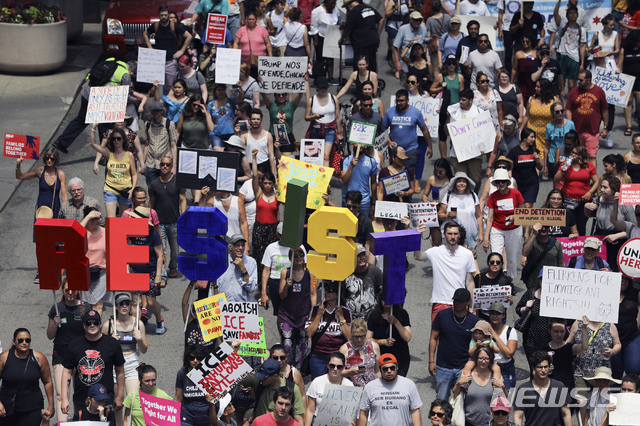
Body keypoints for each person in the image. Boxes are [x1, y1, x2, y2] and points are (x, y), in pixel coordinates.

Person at [53, 59, 131, 154]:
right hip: (102, 98)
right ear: (131, 71)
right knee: (105, 125)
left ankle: (61, 142)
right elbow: (124, 95)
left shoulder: (110, 60)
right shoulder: (125, 74)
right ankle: (105, 153)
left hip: (88, 92)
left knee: (81, 120)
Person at [61, 310, 125, 420]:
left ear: (100, 324)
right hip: (81, 398)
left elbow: (120, 371)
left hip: (104, 398)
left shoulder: (112, 344)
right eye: (88, 323)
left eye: (95, 322)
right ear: (83, 326)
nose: (92, 325)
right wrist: (64, 399)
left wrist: (120, 395)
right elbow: (67, 372)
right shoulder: (74, 345)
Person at [415, 221, 476, 323]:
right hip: (440, 302)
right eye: (449, 234)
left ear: (459, 235)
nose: (452, 237)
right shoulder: (435, 251)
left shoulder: (467, 254)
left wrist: (472, 306)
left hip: (461, 302)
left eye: (455, 234)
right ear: (444, 235)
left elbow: (469, 282)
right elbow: (417, 256)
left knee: (459, 337)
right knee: (437, 336)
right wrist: (417, 237)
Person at [46, 279, 90, 422]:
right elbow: (50, 335)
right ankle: (62, 423)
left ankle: (80, 422)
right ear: (62, 291)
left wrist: (85, 316)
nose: (70, 293)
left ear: (78, 292)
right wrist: (55, 324)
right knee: (61, 394)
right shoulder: (57, 308)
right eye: (66, 290)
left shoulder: (85, 307)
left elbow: (94, 333)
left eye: (73, 290)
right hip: (61, 353)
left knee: (81, 392)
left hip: (81, 353)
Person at [102, 292, 148, 416]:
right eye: (121, 304)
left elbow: (144, 349)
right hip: (114, 365)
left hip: (132, 361)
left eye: (127, 303)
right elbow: (101, 351)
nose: (124, 306)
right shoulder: (108, 325)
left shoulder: (138, 324)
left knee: (134, 401)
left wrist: (139, 339)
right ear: (115, 306)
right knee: (118, 403)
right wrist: (110, 343)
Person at [428, 288, 479, 400]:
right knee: (441, 400)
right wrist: (431, 361)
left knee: (460, 400)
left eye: (460, 301)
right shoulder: (442, 315)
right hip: (443, 366)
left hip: (463, 367)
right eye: (455, 300)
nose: (457, 303)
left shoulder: (474, 321)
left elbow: (477, 344)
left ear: (467, 303)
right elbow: (433, 338)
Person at [0, 328, 54, 426]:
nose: (24, 343)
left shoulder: (39, 358)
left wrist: (51, 404)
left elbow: (48, 382)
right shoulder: (4, 358)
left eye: (27, 340)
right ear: (14, 342)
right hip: (7, 408)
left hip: (32, 407)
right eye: (20, 340)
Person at [585, 176, 635, 271]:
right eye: (601, 187)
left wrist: (616, 236)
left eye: (605, 187)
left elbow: (633, 228)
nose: (602, 190)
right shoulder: (598, 200)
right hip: (600, 238)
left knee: (614, 267)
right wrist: (586, 206)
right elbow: (589, 215)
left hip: (617, 239)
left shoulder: (624, 204)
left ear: (613, 189)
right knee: (599, 267)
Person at [357, 354, 422, 426]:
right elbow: (363, 413)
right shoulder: (370, 387)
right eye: (385, 369)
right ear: (380, 369)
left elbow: (415, 411)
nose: (389, 371)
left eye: (392, 368)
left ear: (397, 367)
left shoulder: (409, 384)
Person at [483, 168, 525, 280]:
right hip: (497, 229)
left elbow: (524, 213)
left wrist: (514, 217)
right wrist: (486, 238)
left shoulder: (516, 193)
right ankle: (497, 281)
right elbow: (490, 218)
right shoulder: (493, 196)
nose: (500, 184)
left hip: (514, 229)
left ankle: (510, 282)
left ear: (507, 182)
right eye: (498, 182)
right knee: (496, 257)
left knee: (511, 257)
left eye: (503, 181)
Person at [278, 246, 317, 368]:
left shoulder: (311, 273)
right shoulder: (285, 272)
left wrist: (313, 314)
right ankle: (286, 371)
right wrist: (286, 287)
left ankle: (297, 373)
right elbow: (282, 296)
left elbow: (313, 294)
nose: (299, 258)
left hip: (303, 316)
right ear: (291, 258)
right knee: (287, 345)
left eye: (301, 255)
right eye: (296, 255)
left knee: (302, 348)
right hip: (286, 316)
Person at [305, 281, 352, 379]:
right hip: (318, 356)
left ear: (338, 294)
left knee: (336, 385)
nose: (326, 293)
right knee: (318, 386)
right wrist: (319, 315)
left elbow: (349, 337)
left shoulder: (345, 311)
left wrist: (341, 317)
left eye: (330, 290)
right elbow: (309, 333)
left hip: (337, 355)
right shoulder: (316, 309)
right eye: (326, 290)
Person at [149, 156, 186, 280]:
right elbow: (151, 202)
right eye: (163, 164)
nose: (165, 166)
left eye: (167, 164)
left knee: (175, 249)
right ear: (160, 166)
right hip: (159, 223)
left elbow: (183, 200)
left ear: (171, 166)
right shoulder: (154, 184)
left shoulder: (178, 181)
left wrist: (183, 217)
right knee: (161, 249)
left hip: (174, 222)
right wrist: (149, 218)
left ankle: (173, 267)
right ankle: (163, 275)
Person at [512, 351, 572, 426]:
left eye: (546, 367)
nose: (543, 370)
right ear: (533, 367)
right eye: (540, 367)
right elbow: (518, 416)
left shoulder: (559, 386)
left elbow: (566, 414)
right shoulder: (523, 389)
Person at [90, 126, 137, 218]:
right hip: (110, 189)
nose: (116, 141)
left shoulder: (129, 155)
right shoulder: (108, 153)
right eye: (114, 138)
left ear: (123, 140)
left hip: (125, 189)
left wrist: (133, 189)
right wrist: (93, 128)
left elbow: (134, 174)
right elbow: (93, 144)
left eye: (119, 138)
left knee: (124, 220)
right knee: (111, 220)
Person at [384, 89, 432, 178]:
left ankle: (406, 192)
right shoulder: (389, 112)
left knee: (408, 176)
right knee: (394, 175)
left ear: (407, 100)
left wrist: (430, 146)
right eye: (397, 101)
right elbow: (383, 130)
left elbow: (425, 130)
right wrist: (389, 141)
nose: (399, 103)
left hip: (411, 149)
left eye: (401, 101)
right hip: (395, 150)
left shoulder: (416, 112)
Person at [452, 347, 506, 426]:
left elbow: (505, 399)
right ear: (476, 359)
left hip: (489, 422)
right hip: (468, 421)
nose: (483, 361)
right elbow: (455, 394)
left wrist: (503, 387)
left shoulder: (495, 376)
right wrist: (460, 383)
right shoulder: (467, 374)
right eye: (481, 358)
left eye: (486, 359)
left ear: (491, 360)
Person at [566, 70, 609, 167]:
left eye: (581, 80)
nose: (578, 82)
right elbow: (568, 109)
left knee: (591, 156)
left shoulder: (599, 91)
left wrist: (605, 127)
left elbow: (605, 110)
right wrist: (570, 124)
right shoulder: (574, 92)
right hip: (576, 131)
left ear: (588, 80)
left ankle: (592, 179)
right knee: (576, 155)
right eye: (578, 79)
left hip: (592, 131)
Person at [143, 5, 191, 91]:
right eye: (161, 15)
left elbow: (189, 36)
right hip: (158, 61)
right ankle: (159, 103)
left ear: (168, 14)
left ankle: (168, 103)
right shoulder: (155, 25)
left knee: (171, 86)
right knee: (157, 86)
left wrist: (181, 51)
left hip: (170, 61)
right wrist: (150, 47)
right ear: (158, 15)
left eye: (165, 15)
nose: (163, 17)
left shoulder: (174, 26)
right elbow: (145, 34)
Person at [554, 144, 599, 236]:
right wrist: (563, 169)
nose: (573, 155)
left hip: (584, 201)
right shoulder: (566, 164)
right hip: (568, 199)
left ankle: (580, 245)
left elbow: (596, 181)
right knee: (569, 223)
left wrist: (590, 192)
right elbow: (556, 179)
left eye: (576, 153)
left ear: (581, 156)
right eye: (572, 152)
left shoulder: (588, 165)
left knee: (581, 225)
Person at [243, 359, 305, 425]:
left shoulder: (293, 389)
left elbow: (299, 419)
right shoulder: (258, 382)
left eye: (264, 377)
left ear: (275, 376)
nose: (261, 379)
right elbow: (238, 377)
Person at [445, 89, 482, 190]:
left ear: (471, 100)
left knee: (476, 179)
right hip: (457, 154)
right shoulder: (453, 112)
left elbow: (484, 133)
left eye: (464, 100)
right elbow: (447, 132)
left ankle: (474, 198)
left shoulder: (479, 113)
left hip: (474, 154)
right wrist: (447, 119)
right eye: (460, 99)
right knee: (460, 180)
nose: (461, 102)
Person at [304, 352, 353, 426]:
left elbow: (352, 411)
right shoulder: (317, 382)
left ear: (343, 367)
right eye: (332, 366)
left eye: (339, 367)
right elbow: (310, 410)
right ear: (327, 365)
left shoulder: (349, 385)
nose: (335, 369)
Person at [366, 297, 412, 376]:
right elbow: (368, 339)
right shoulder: (374, 315)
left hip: (400, 357)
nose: (386, 301)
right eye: (383, 298)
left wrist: (396, 322)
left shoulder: (402, 313)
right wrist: (383, 341)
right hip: (381, 357)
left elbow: (407, 337)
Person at [175, 344, 218, 425]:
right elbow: (178, 398)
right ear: (187, 359)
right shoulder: (182, 373)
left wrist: (212, 399)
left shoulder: (211, 374)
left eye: (199, 358)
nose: (195, 361)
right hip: (187, 419)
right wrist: (169, 416)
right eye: (192, 358)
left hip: (206, 419)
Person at [305, 77, 342, 168]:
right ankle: (315, 177)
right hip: (315, 130)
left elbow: (337, 117)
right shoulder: (311, 100)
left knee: (326, 156)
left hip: (330, 130)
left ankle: (325, 181)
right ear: (317, 88)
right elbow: (306, 117)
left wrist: (339, 133)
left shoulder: (334, 99)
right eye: (321, 88)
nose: (323, 90)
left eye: (325, 88)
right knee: (315, 156)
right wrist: (314, 117)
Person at [438, 172, 482, 247]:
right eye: (459, 181)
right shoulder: (448, 196)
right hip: (452, 236)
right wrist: (447, 215)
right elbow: (439, 215)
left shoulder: (473, 195)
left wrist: (481, 233)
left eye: (464, 181)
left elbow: (479, 216)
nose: (461, 183)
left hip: (470, 235)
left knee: (469, 256)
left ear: (467, 183)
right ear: (455, 183)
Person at [79, 208, 109, 316]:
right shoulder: (82, 232)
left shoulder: (106, 232)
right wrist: (88, 217)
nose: (97, 221)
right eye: (93, 219)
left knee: (97, 304)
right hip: (85, 272)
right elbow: (74, 233)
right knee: (85, 305)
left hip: (102, 272)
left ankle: (97, 328)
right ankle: (87, 327)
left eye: (99, 218)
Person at [552, 4, 588, 94]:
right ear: (567, 16)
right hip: (562, 55)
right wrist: (559, 1)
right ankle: (561, 104)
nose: (573, 15)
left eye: (574, 13)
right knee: (561, 83)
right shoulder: (563, 25)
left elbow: (582, 46)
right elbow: (555, 14)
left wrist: (582, 63)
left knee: (572, 85)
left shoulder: (582, 30)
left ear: (577, 15)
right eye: (570, 13)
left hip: (574, 58)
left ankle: (570, 104)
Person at [340, 0, 384, 73]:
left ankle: (361, 81)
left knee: (361, 64)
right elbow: (381, 20)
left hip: (361, 42)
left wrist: (341, 39)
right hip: (373, 40)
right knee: (371, 63)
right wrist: (377, 35)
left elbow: (347, 30)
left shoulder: (353, 12)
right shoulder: (369, 8)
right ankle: (372, 81)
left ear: (349, 6)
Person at [141, 101, 178, 187]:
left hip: (165, 163)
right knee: (151, 190)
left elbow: (173, 146)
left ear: (162, 111)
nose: (156, 113)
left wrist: (174, 165)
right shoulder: (148, 124)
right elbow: (146, 145)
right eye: (154, 110)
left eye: (158, 110)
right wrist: (142, 164)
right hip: (151, 163)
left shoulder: (169, 124)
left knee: (166, 189)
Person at [611, 275, 640, 378]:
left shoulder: (635, 295)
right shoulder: (607, 295)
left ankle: (633, 392)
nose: (623, 281)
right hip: (612, 340)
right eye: (620, 278)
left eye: (626, 279)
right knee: (615, 372)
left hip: (632, 338)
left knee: (634, 370)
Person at [507, 128, 542, 211]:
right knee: (518, 206)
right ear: (524, 138)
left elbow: (540, 168)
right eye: (532, 137)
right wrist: (509, 180)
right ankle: (520, 224)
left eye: (534, 137)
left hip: (531, 184)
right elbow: (509, 167)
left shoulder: (535, 151)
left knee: (528, 207)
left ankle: (528, 224)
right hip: (518, 183)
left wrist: (537, 161)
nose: (534, 139)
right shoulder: (514, 152)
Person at [522, 223, 564, 289]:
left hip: (551, 284)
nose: (543, 229)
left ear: (549, 227)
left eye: (546, 226)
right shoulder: (531, 242)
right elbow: (525, 253)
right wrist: (533, 234)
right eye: (541, 227)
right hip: (533, 285)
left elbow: (561, 263)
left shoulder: (557, 243)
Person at [521, 79, 558, 155]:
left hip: (548, 136)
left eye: (538, 87)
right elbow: (527, 115)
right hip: (533, 135)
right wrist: (521, 129)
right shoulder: (531, 99)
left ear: (544, 88)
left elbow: (559, 116)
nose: (535, 88)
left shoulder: (554, 100)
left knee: (548, 156)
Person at [218, 234, 259, 303]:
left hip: (242, 306)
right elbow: (215, 285)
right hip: (223, 305)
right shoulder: (221, 261)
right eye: (237, 245)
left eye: (242, 245)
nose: (240, 248)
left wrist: (243, 269)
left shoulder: (251, 262)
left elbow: (252, 288)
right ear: (230, 247)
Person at [263, 91, 304, 157]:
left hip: (287, 136)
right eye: (278, 95)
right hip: (273, 137)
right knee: (274, 160)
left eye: (283, 94)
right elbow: (263, 94)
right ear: (275, 96)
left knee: (286, 161)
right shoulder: (271, 105)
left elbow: (300, 95)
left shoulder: (291, 106)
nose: (281, 96)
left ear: (286, 95)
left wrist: (304, 82)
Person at [340, 318, 380, 387]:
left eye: (362, 336)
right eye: (356, 337)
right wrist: (351, 371)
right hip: (352, 388)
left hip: (371, 387)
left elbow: (377, 371)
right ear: (352, 334)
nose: (359, 340)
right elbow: (339, 372)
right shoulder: (345, 349)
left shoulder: (374, 346)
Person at [342, 146, 378, 219]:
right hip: (348, 202)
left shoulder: (372, 161)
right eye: (357, 143)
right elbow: (345, 181)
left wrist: (374, 203)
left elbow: (374, 183)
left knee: (363, 227)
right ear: (352, 144)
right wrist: (351, 166)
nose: (360, 145)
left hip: (364, 202)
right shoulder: (346, 160)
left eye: (362, 144)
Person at [233, 11, 273, 79]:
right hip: (245, 62)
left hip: (259, 62)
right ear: (246, 20)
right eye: (249, 19)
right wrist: (235, 55)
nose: (251, 21)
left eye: (252, 19)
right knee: (245, 81)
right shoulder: (241, 30)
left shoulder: (262, 29)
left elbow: (268, 43)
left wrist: (270, 56)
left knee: (260, 81)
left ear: (256, 20)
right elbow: (236, 43)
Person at [473, 255, 514, 321]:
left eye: (498, 262)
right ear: (488, 263)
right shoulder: (479, 278)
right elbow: (473, 296)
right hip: (482, 318)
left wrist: (511, 300)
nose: (495, 264)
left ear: (501, 264)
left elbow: (508, 302)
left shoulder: (506, 280)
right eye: (492, 262)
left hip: (499, 320)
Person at [310, 0, 340, 84]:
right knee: (320, 59)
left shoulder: (335, 10)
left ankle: (330, 78)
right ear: (326, 2)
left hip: (332, 37)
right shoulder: (317, 11)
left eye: (335, 3)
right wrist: (315, 40)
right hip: (320, 38)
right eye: (332, 3)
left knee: (330, 59)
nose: (333, 5)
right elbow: (313, 27)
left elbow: (337, 21)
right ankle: (319, 78)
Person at [392, 11, 428, 79]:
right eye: (416, 20)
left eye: (420, 20)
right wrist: (397, 62)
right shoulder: (403, 29)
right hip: (406, 65)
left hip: (419, 65)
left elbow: (426, 42)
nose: (418, 22)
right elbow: (395, 46)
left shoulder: (423, 29)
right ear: (410, 20)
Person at [544, 102, 575, 180]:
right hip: (553, 159)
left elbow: (575, 142)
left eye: (562, 111)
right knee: (556, 181)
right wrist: (545, 166)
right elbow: (546, 147)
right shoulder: (549, 126)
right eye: (557, 112)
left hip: (567, 157)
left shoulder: (570, 124)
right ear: (553, 113)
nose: (560, 113)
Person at [619, 30, 640, 136]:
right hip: (627, 78)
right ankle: (629, 125)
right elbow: (619, 65)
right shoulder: (625, 50)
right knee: (629, 101)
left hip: (639, 78)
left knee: (639, 99)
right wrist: (617, 71)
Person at [511, 34, 538, 106]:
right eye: (523, 41)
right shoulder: (518, 54)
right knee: (522, 103)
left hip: (533, 82)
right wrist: (511, 83)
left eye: (527, 41)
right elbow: (514, 69)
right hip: (522, 82)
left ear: (531, 42)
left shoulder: (537, 53)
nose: (525, 43)